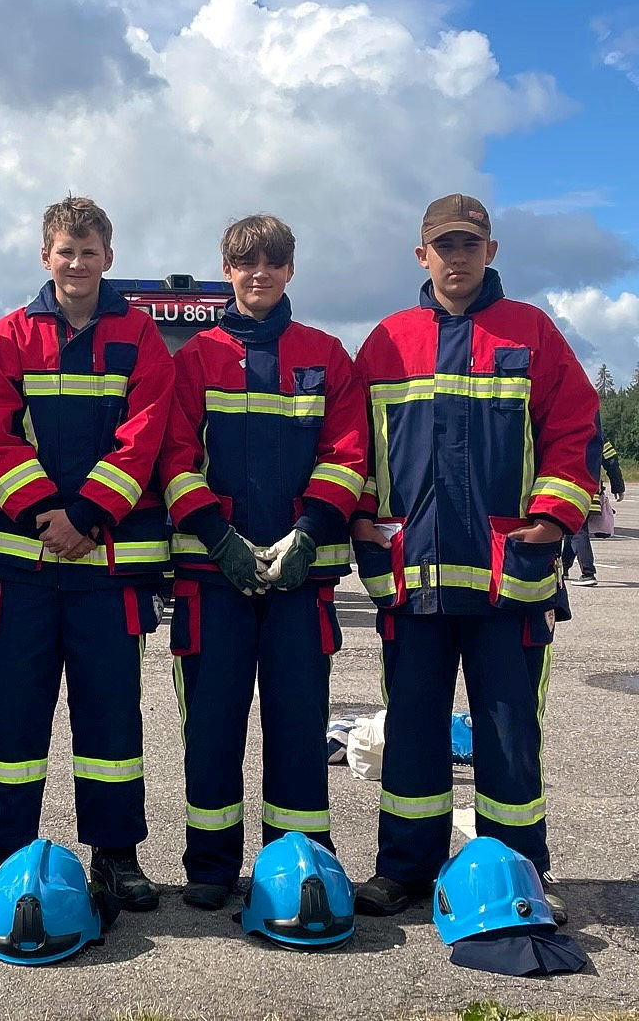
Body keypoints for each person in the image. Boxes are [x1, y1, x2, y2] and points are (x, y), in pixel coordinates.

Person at [348, 194, 598, 920]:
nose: (456, 257)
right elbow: (353, 443)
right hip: (414, 579)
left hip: (505, 582)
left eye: (469, 244)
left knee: (508, 735)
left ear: (490, 251)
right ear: (420, 256)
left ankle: (517, 868)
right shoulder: (387, 341)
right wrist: (364, 519)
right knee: (412, 736)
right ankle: (403, 870)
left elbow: (575, 430)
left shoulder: (531, 334)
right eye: (443, 246)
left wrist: (553, 519)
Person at [0, 196, 175, 914]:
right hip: (27, 563)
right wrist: (45, 513)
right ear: (44, 255)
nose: (76, 263)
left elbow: (144, 436)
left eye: (89, 251)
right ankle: (1, 852)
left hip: (109, 564)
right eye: (64, 250)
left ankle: (117, 856)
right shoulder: (10, 334)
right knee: (12, 720)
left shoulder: (141, 337)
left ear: (108, 258)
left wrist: (85, 515)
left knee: (112, 721)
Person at [156, 214, 367, 910]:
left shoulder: (326, 355)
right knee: (212, 727)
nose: (259, 273)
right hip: (211, 581)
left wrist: (308, 532)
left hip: (300, 583)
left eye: (273, 262)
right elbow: (173, 457)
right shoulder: (194, 360)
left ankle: (298, 859)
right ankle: (211, 868)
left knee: (299, 725)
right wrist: (220, 539)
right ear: (227, 269)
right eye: (246, 262)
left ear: (290, 270)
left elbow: (348, 454)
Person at [561, 422, 624, 586]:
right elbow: (611, 461)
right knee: (571, 529)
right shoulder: (598, 436)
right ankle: (564, 568)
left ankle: (588, 573)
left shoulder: (566, 432)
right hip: (591, 492)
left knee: (577, 530)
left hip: (570, 489)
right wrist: (618, 486)